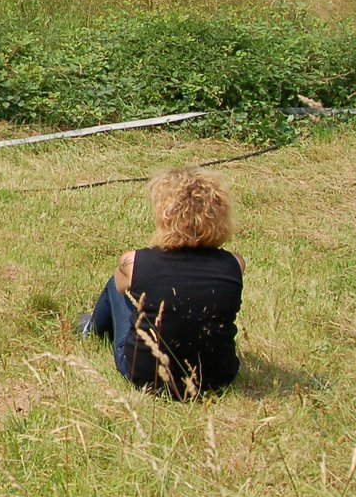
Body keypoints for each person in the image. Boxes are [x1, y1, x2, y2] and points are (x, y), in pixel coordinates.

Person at [79, 166, 246, 399]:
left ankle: (90, 328)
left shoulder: (134, 261)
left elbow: (119, 289)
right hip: (217, 378)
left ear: (165, 214)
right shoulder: (235, 264)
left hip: (147, 377)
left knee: (116, 285)